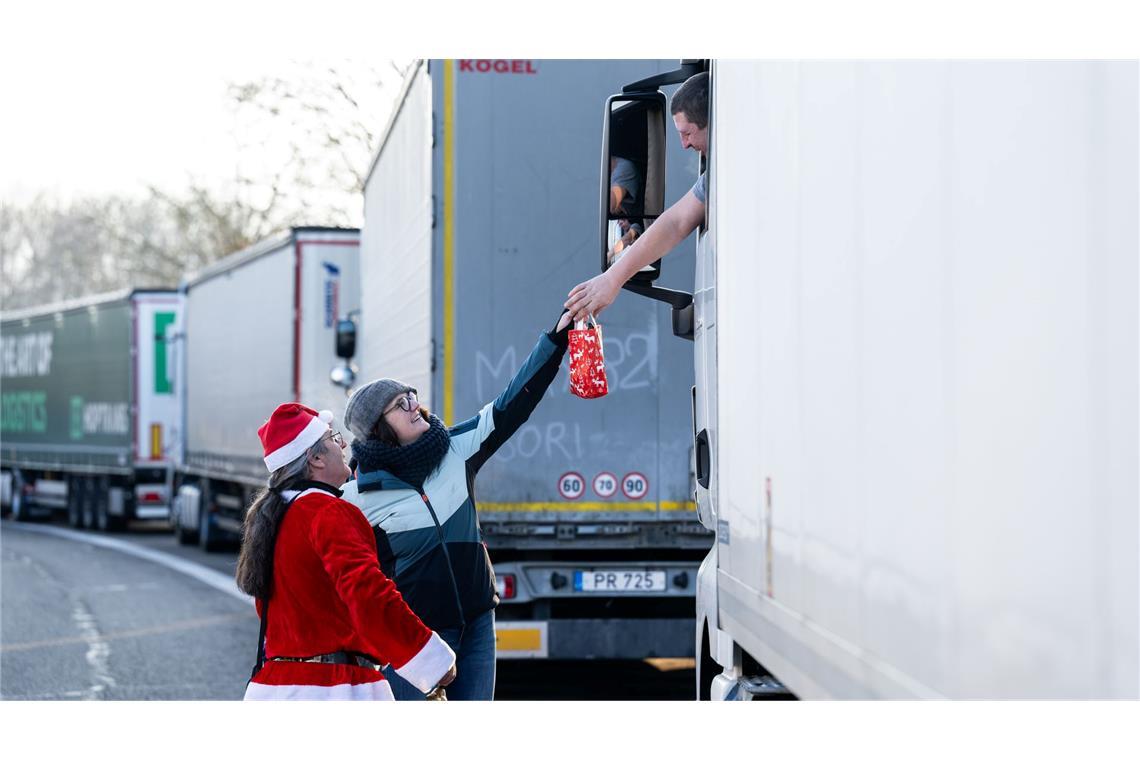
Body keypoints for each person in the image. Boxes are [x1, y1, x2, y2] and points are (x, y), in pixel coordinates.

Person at [340, 308, 573, 700]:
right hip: (417, 639)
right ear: (378, 429)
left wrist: (556, 339)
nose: (414, 405)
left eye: (411, 396)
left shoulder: (455, 450)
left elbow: (513, 403)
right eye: (400, 404)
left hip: (477, 623)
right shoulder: (356, 497)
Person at [236, 402, 457, 700]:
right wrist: (431, 660)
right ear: (315, 458)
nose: (343, 446)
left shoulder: (274, 518)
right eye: (333, 438)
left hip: (276, 686)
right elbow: (368, 593)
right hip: (333, 688)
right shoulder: (327, 511)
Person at [566, 71, 709, 322]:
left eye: (687, 133)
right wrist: (612, 278)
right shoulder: (717, 174)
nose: (684, 145)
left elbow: (676, 223)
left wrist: (613, 279)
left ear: (712, 123)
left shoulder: (624, 170)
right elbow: (674, 222)